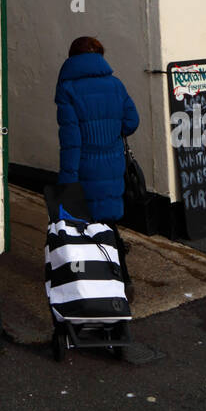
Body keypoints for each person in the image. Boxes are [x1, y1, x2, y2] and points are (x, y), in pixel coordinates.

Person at [55, 35, 140, 293]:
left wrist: (67, 182)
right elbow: (131, 122)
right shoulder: (115, 84)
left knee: (84, 228)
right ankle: (121, 280)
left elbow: (71, 141)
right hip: (112, 164)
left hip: (84, 167)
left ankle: (101, 284)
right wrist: (109, 132)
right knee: (107, 221)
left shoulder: (68, 89)